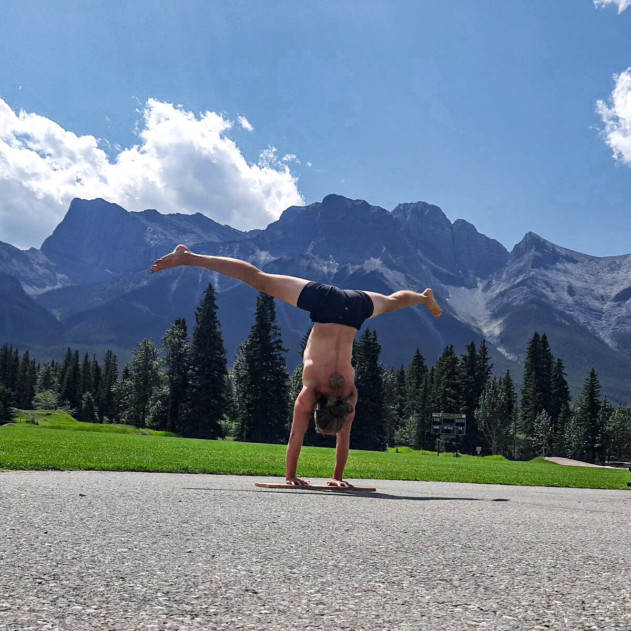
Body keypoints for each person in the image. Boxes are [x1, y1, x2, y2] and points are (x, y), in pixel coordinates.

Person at [151, 245, 442, 487]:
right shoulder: (312, 390)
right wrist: (290, 476)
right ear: (319, 410)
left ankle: (422, 297)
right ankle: (187, 257)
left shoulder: (349, 395)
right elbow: (297, 434)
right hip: (327, 305)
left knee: (391, 302)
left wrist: (337, 477)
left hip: (355, 309)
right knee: (259, 279)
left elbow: (344, 438)